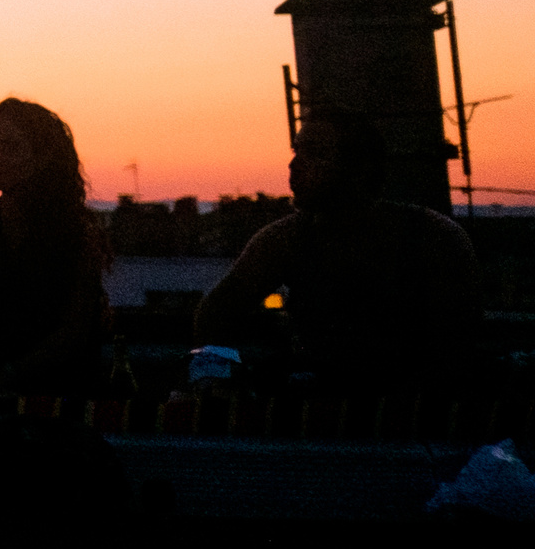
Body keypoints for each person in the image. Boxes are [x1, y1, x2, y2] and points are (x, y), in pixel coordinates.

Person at [195, 111, 482, 392]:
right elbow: (216, 313)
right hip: (324, 409)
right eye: (297, 151)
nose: (295, 165)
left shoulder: (432, 238)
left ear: (359, 168)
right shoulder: (286, 239)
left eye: (316, 154)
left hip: (408, 414)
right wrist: (213, 379)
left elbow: (457, 345)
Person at [0, 98, 109, 396]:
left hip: (66, 395)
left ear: (42, 155)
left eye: (9, 147)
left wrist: (2, 380)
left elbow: (73, 334)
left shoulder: (80, 236)